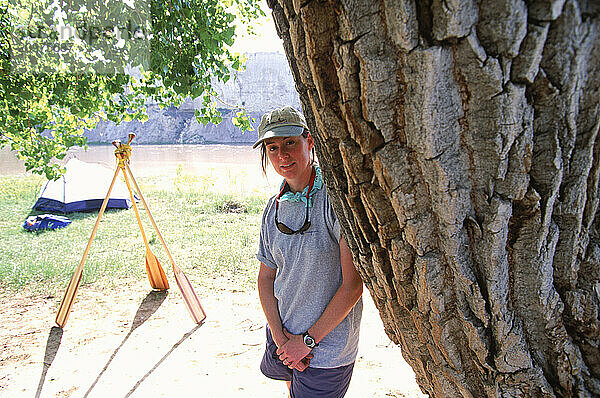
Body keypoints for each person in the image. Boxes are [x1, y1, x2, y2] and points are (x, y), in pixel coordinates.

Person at [254, 106, 363, 398]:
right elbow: (266, 278)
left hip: (326, 349)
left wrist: (307, 342)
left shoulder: (335, 200)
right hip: (282, 334)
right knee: (291, 390)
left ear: (309, 141)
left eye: (290, 142)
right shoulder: (273, 207)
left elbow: (353, 285)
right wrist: (281, 339)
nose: (282, 155)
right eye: (273, 147)